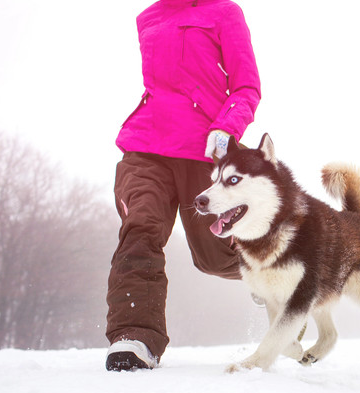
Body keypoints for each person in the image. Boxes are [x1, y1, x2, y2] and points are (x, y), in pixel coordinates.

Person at [105, 0, 261, 371]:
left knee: (214, 256)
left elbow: (246, 86)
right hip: (145, 145)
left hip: (203, 149)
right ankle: (134, 335)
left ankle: (264, 274)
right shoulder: (150, 17)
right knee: (140, 226)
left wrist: (227, 126)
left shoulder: (223, 12)